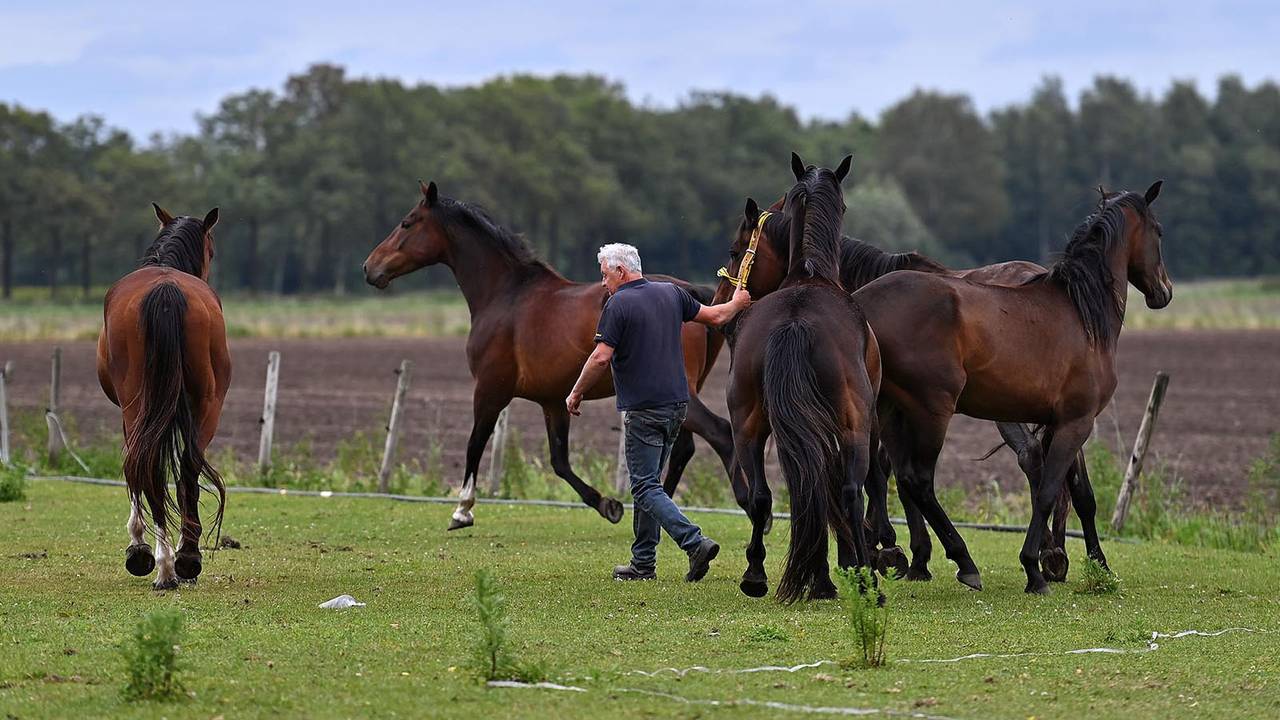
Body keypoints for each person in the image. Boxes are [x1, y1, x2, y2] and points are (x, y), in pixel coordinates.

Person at [567, 243, 752, 581]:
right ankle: (643, 563)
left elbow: (600, 357)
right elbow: (717, 317)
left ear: (621, 272)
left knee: (644, 487)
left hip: (644, 410)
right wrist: (738, 301)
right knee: (649, 482)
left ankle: (694, 543)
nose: (603, 283)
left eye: (605, 275)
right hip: (676, 408)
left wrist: (576, 392)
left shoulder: (618, 304)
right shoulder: (671, 294)